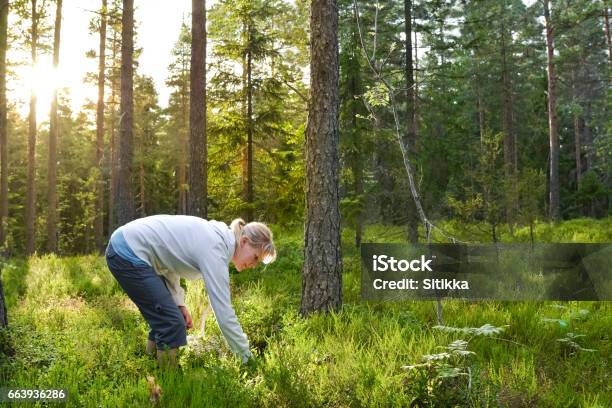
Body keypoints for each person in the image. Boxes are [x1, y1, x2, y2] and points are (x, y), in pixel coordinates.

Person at [105, 215, 276, 368]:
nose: (253, 265)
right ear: (244, 241)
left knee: (170, 316)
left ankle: (149, 364)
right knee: (171, 322)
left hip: (130, 247)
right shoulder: (216, 249)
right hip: (127, 252)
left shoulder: (217, 237)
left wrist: (178, 303)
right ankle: (169, 384)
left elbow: (168, 260)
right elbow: (224, 314)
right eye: (255, 257)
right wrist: (247, 358)